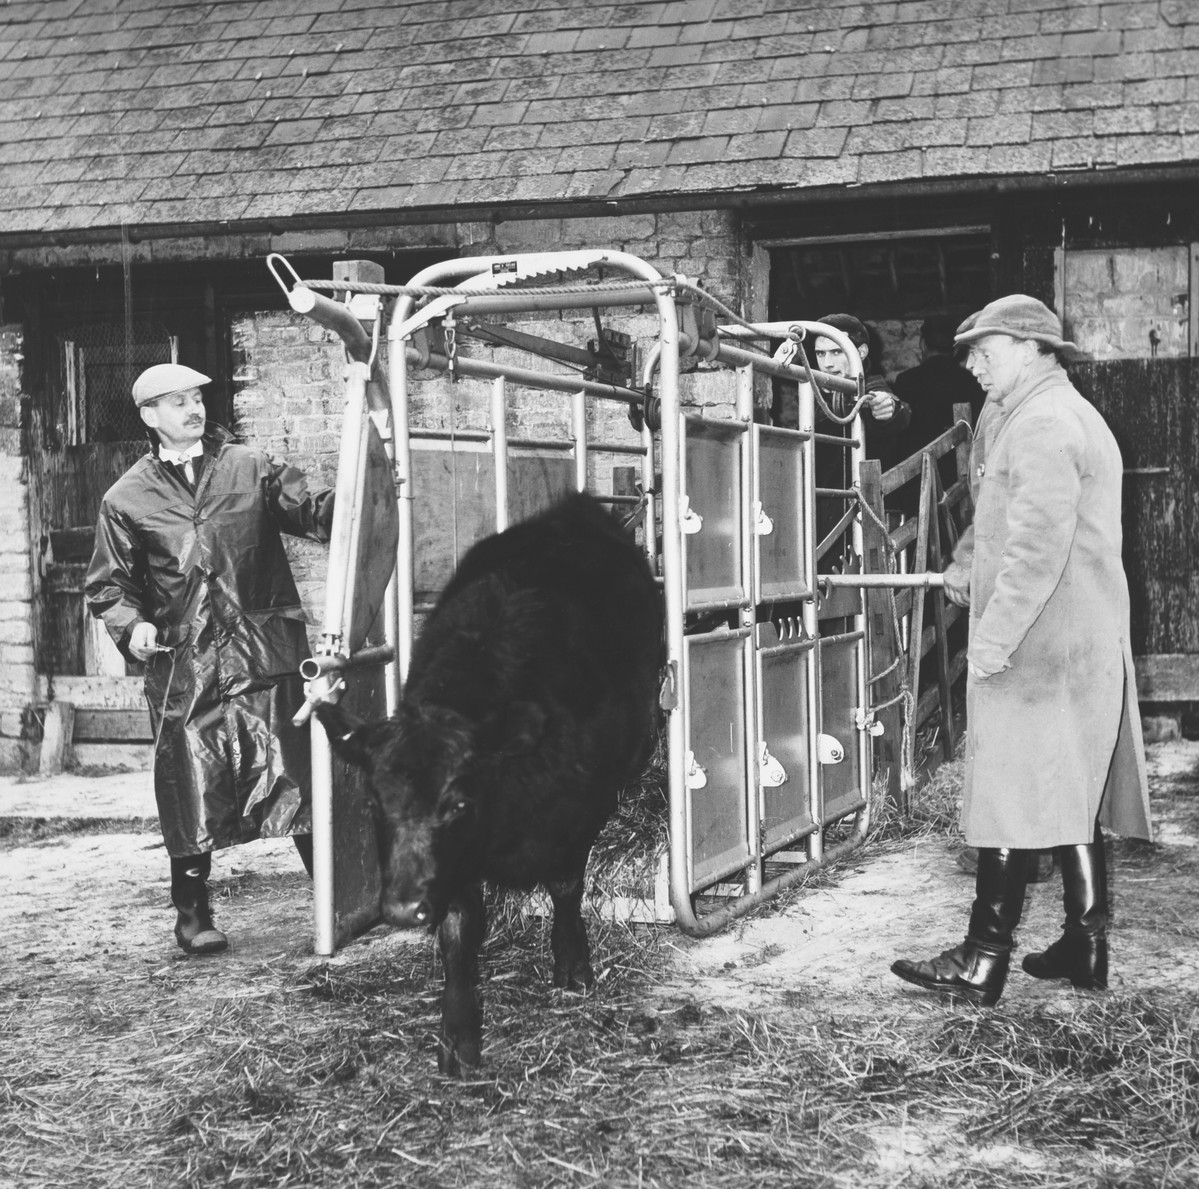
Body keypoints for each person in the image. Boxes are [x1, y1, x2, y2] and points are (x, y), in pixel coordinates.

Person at [890, 295, 1153, 1006]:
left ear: (1033, 346)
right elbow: (1003, 517)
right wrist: (964, 564)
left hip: (1041, 639)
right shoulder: (1048, 415)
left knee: (1007, 790)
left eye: (985, 349)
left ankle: (981, 959)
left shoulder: (1040, 424)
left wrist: (992, 640)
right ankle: (1083, 942)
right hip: (1074, 632)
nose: (971, 364)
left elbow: (1034, 551)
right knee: (1068, 788)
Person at [85, 363, 335, 955]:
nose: (193, 409)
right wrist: (134, 624)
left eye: (196, 397)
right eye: (176, 402)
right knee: (188, 782)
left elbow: (315, 511)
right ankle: (193, 912)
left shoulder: (251, 467)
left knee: (294, 768)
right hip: (185, 662)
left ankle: (338, 893)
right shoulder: (126, 497)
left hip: (262, 651)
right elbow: (108, 585)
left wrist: (366, 494)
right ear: (149, 416)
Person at [811, 313, 911, 474]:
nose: (827, 364)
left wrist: (889, 406)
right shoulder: (813, 390)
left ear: (862, 352)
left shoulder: (873, 385)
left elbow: (895, 411)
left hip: (864, 495)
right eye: (820, 353)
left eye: (837, 352)